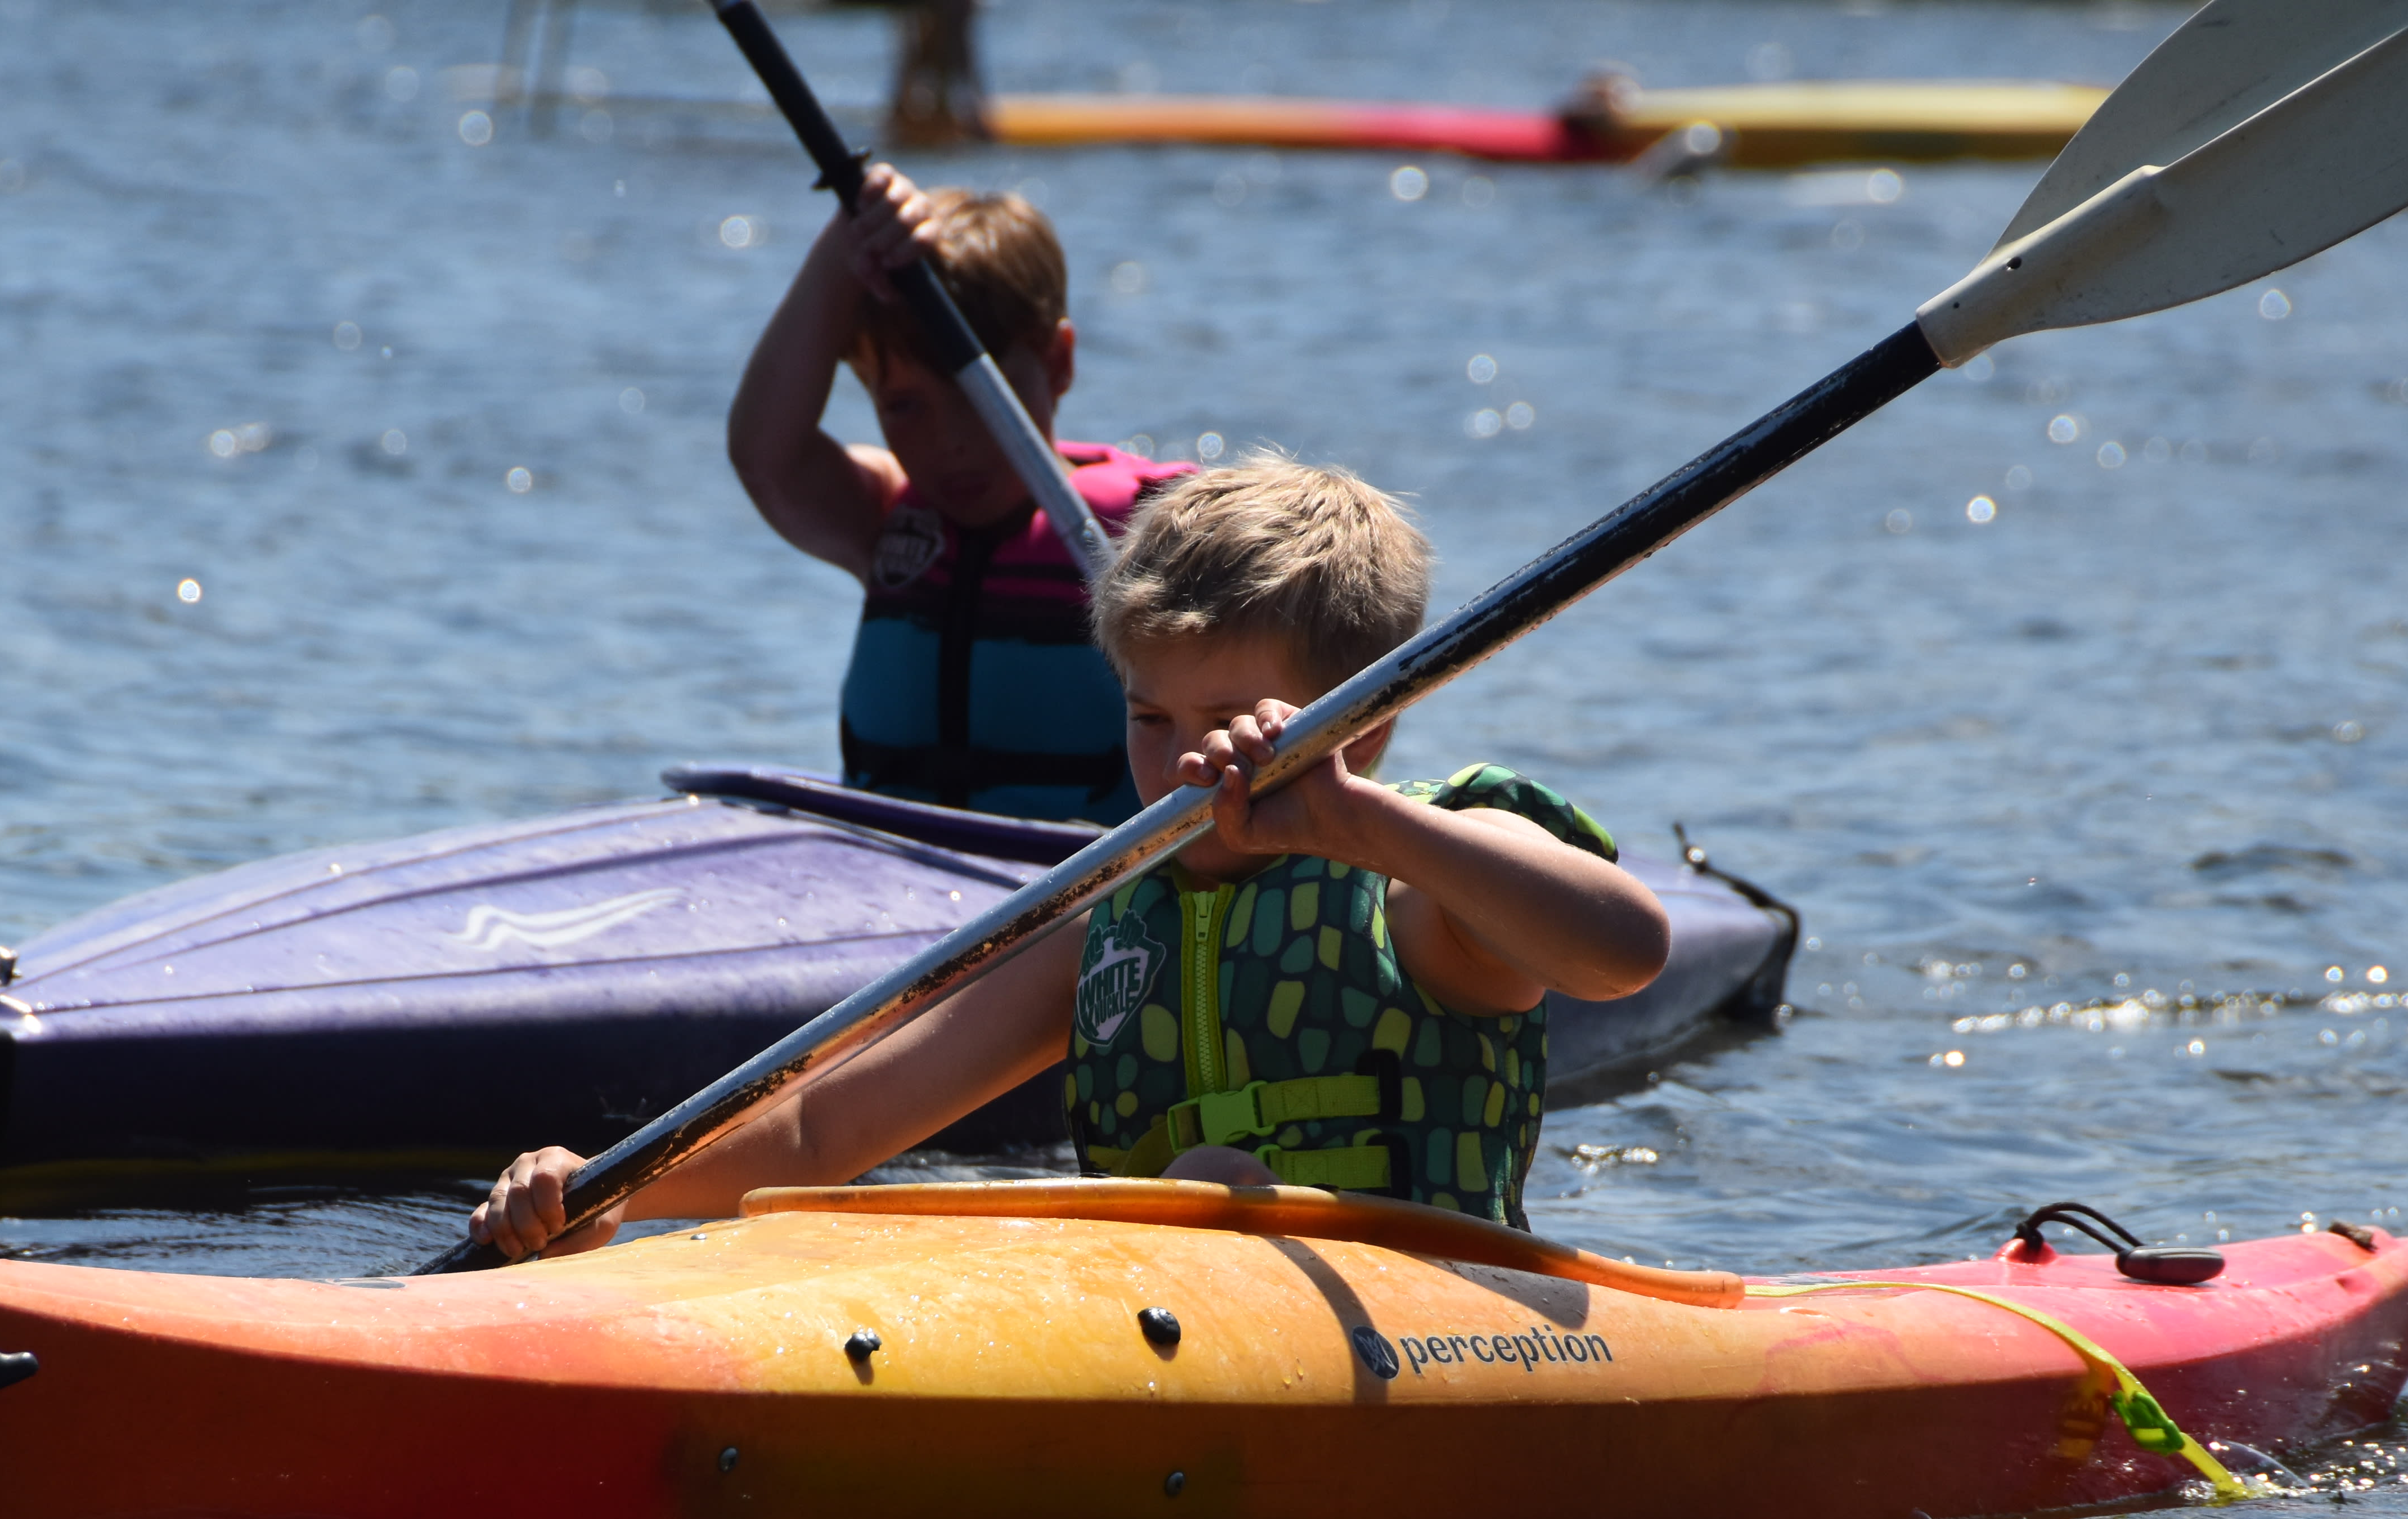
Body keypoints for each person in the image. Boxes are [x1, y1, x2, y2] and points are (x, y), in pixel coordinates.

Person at [474, 455, 1670, 1257]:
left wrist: (1361, 821)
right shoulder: (1110, 920)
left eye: (1228, 722)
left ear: (1367, 723)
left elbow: (1625, 949)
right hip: (1153, 1317)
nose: (1182, 763)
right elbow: (823, 1133)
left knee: (1218, 1180)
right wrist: (618, 1187)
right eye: (1150, 719)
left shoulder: (1424, 880)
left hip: (1426, 1327)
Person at [728, 162, 1185, 824]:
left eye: (976, 397)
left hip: (1071, 895)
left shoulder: (1157, 531)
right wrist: (841, 250)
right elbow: (764, 454)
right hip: (893, 884)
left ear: (1056, 361)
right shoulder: (884, 514)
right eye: (906, 405)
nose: (951, 444)